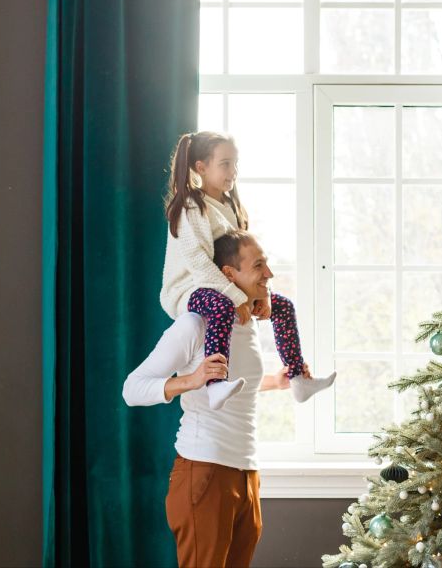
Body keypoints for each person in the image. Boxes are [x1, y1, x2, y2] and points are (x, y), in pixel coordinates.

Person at [124, 231, 319, 567]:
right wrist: (193, 379)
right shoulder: (194, 324)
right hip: (205, 469)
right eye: (258, 265)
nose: (269, 274)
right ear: (230, 274)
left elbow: (237, 383)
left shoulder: (246, 325)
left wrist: (276, 381)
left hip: (246, 470)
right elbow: (132, 389)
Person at [160, 130, 334, 409]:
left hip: (227, 289)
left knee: (283, 306)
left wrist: (262, 296)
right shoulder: (192, 207)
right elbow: (200, 264)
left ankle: (299, 379)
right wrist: (239, 299)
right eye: (225, 164)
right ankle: (215, 385)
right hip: (189, 289)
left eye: (235, 163)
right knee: (220, 307)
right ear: (201, 167)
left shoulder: (229, 206)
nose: (233, 171)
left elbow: (244, 262)